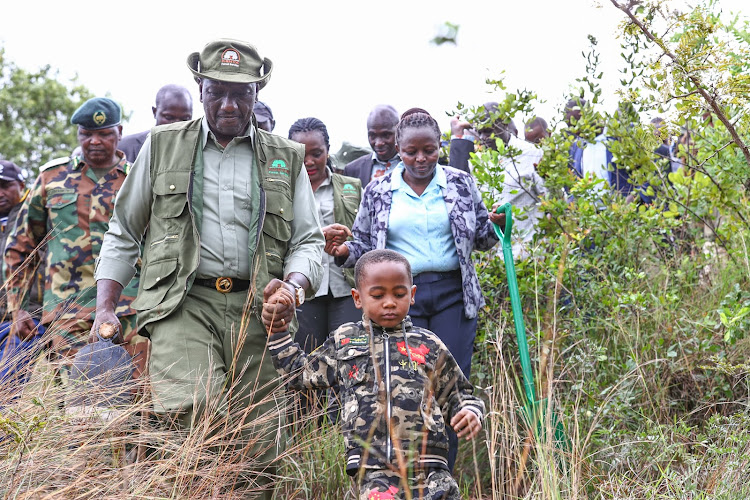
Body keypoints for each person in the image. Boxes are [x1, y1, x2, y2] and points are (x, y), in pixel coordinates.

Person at [93, 39, 324, 496]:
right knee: (194, 415)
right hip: (184, 302)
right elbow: (123, 230)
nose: (228, 105)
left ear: (258, 94)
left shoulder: (285, 157)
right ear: (200, 89)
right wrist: (106, 306)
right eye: (217, 91)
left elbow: (308, 240)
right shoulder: (162, 146)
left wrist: (292, 288)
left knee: (260, 441)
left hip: (259, 311)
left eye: (241, 94)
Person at [329, 108, 502, 469]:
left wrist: (499, 224)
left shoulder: (459, 183)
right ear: (398, 149)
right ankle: (400, 477)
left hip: (453, 297)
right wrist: (345, 253)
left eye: (429, 150)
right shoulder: (378, 190)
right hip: (401, 299)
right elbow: (363, 246)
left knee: (447, 389)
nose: (421, 158)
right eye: (411, 152)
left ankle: (441, 476)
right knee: (405, 391)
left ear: (439, 146)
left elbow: (482, 237)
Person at [263, 249, 483, 499]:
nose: (389, 302)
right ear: (357, 298)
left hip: (429, 467)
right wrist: (278, 332)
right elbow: (298, 374)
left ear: (412, 295)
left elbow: (459, 395)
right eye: (378, 295)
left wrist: (469, 412)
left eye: (399, 294)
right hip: (373, 468)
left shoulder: (429, 344)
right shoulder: (345, 341)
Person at [3, 98, 148, 383]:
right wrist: (17, 308)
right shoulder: (51, 178)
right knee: (76, 396)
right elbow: (21, 245)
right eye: (86, 134)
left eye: (104, 133)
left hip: (131, 307)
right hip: (69, 310)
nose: (94, 141)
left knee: (134, 395)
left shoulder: (138, 178)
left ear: (119, 132)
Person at [288, 117, 362, 353]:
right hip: (304, 288)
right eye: (301, 153)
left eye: (317, 153)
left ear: (328, 151)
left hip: (345, 286)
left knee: (349, 356)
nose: (308, 161)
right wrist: (319, 235)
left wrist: (345, 244)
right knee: (307, 360)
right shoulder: (283, 189)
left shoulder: (351, 186)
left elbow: (364, 235)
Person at [451, 103, 548, 258]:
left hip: (527, 256)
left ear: (504, 124)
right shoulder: (480, 160)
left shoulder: (532, 155)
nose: (483, 138)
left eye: (488, 131)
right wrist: (458, 137)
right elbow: (457, 191)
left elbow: (551, 201)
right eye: (480, 132)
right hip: (493, 260)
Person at [0, 159, 44, 394]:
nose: (0, 193)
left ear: (21, 184)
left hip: (28, 318)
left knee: (5, 387)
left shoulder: (34, 214)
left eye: (5, 186)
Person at [118, 84, 193, 162]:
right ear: (154, 112)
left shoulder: (199, 150)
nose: (177, 125)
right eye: (169, 117)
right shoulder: (125, 147)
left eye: (185, 119)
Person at [344, 105, 401, 186]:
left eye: (386, 135)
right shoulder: (352, 171)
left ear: (398, 132)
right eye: (373, 135)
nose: (378, 143)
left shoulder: (414, 166)